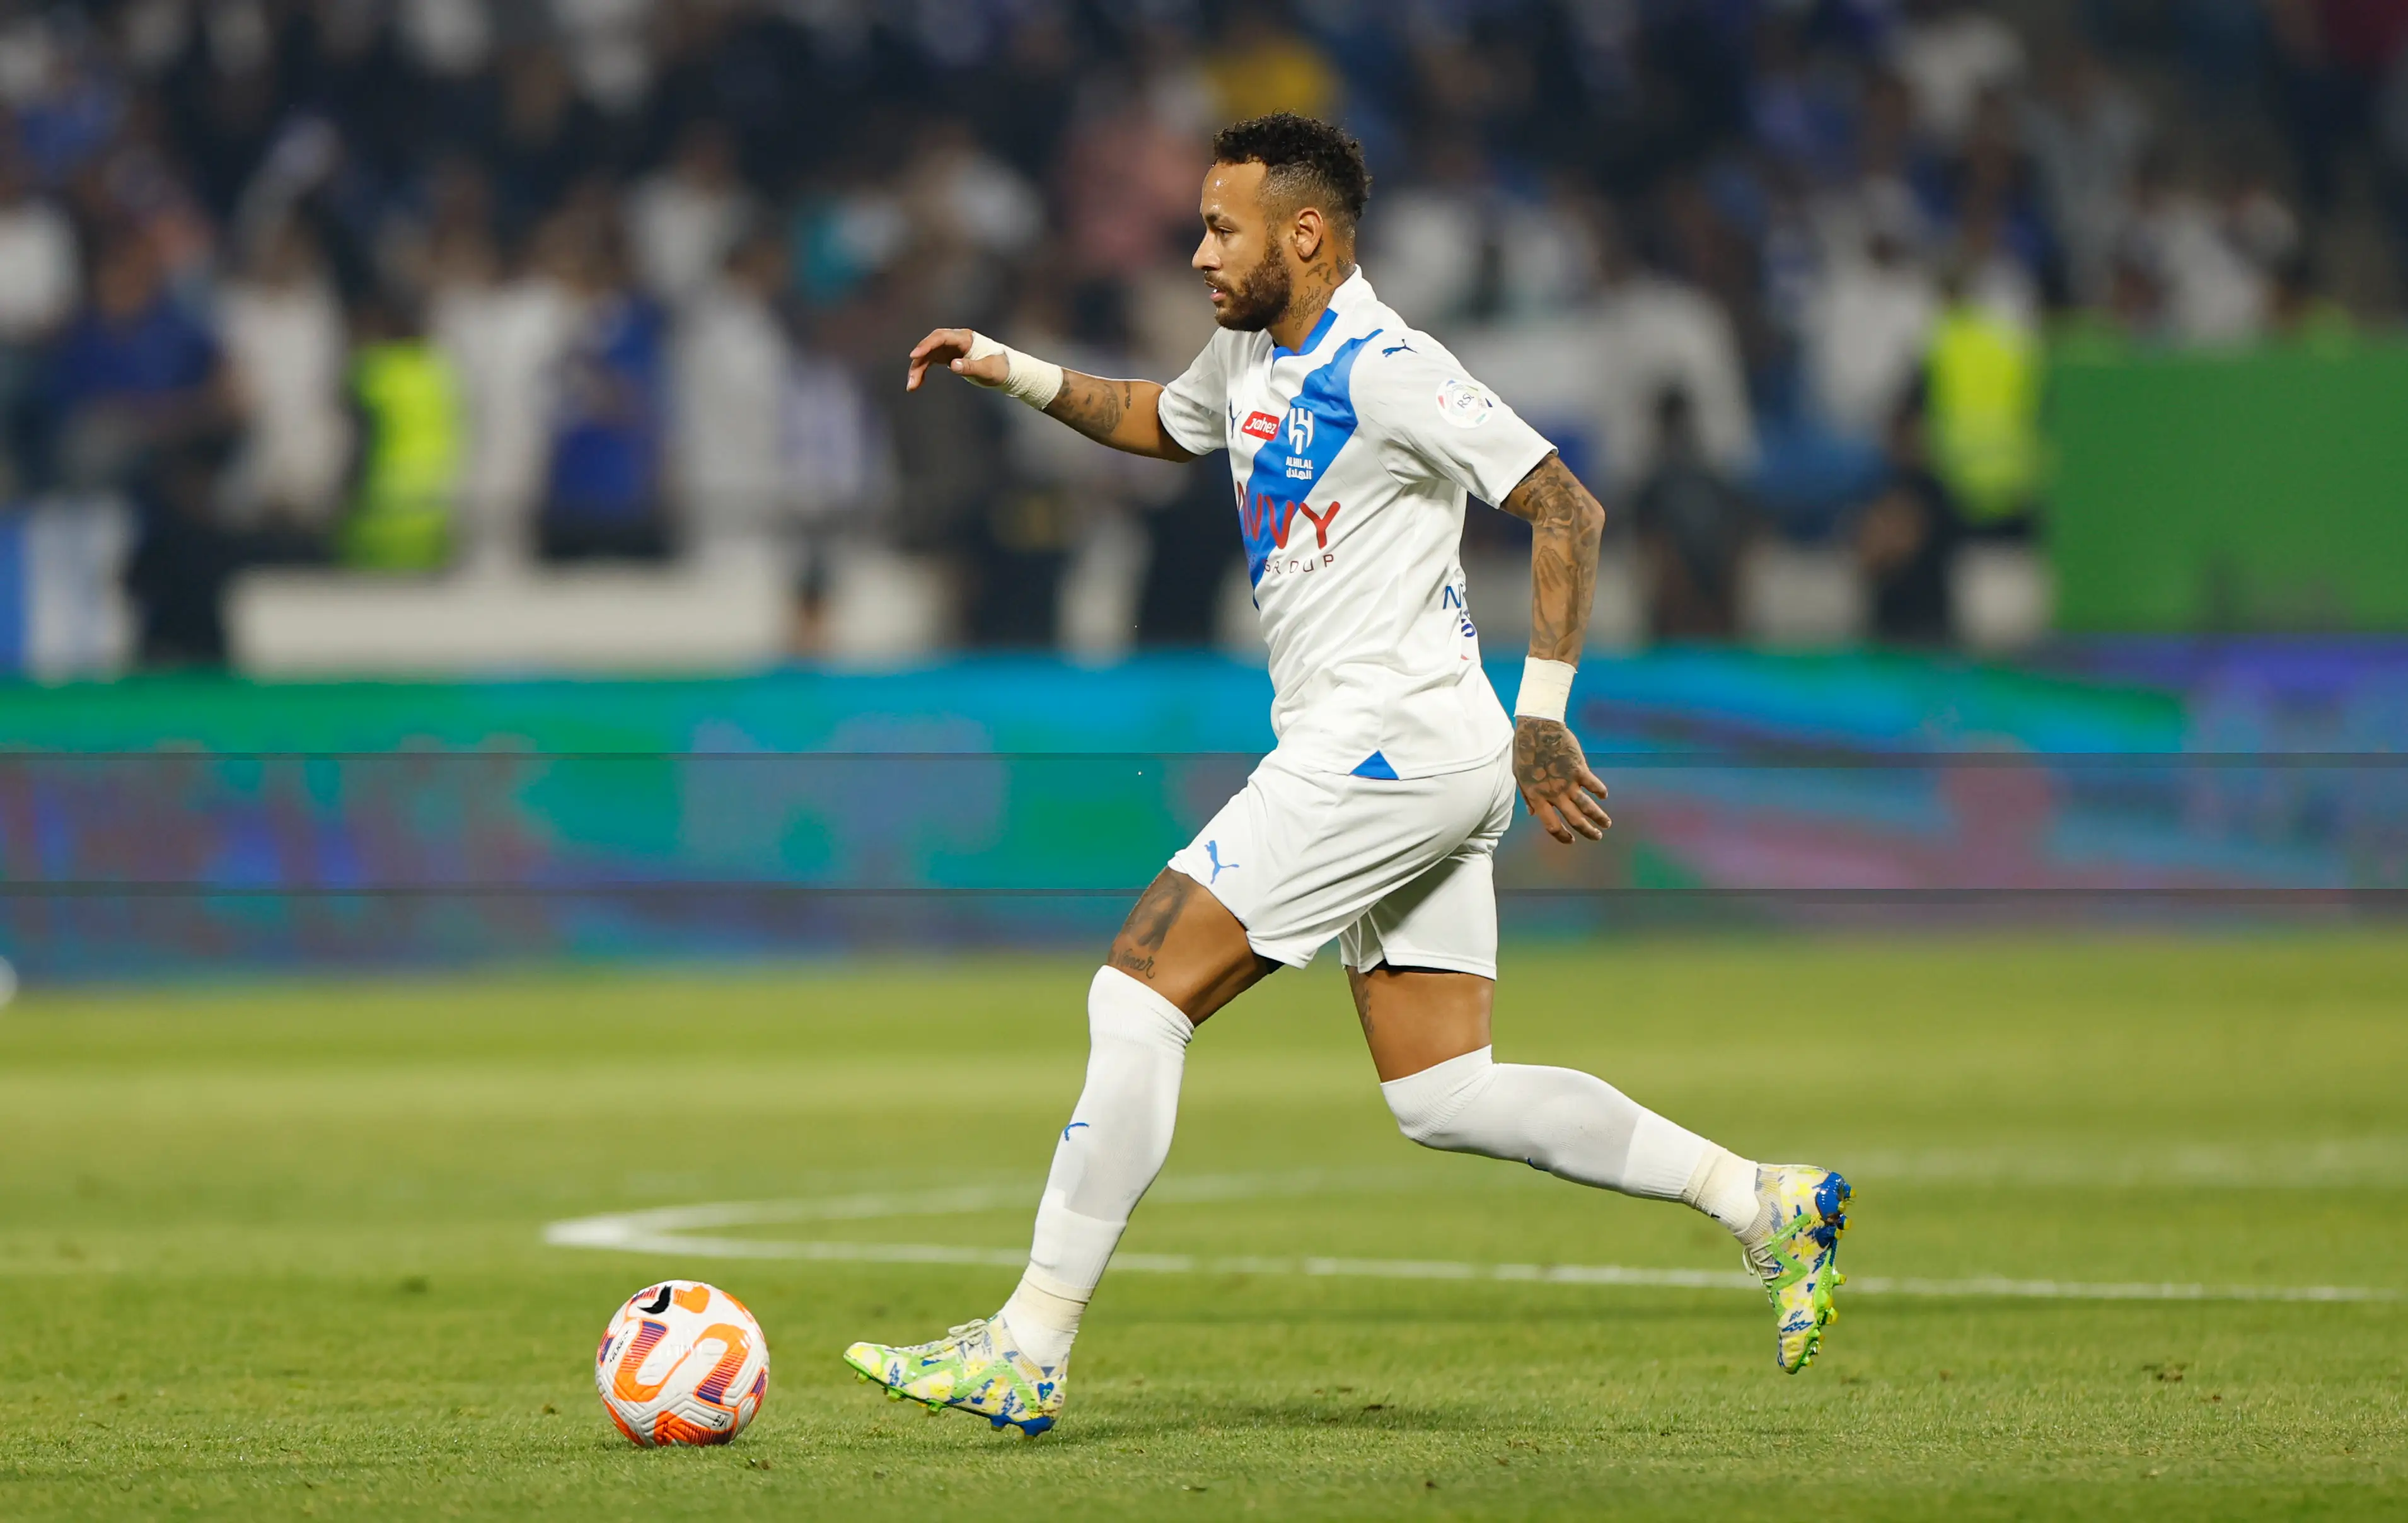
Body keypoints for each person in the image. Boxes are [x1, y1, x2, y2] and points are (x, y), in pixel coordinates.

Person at [845, 115, 1850, 1437]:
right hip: (1402, 749)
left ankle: (1027, 1340)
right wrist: (1011, 368)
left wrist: (1540, 713)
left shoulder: (1388, 366)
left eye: (1222, 228)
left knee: (1136, 993)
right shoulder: (1253, 352)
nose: (1199, 249)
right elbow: (1163, 418)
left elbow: (1565, 505)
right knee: (1443, 1089)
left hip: (1386, 742)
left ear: (1304, 238)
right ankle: (1759, 1196)